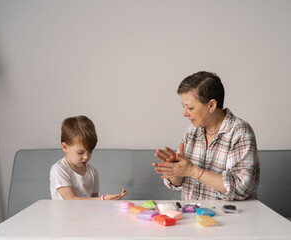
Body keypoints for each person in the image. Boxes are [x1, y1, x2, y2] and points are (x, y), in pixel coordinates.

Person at [152, 71, 259, 200]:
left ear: (211, 105)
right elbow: (178, 183)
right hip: (193, 216)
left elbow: (243, 188)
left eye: (190, 108)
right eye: (183, 107)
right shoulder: (192, 132)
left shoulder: (239, 132)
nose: (184, 113)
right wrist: (175, 169)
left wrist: (192, 171)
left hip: (228, 218)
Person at [50, 115, 127, 200]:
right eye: (80, 152)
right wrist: (103, 199)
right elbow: (70, 200)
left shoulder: (92, 172)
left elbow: (94, 202)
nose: (86, 157)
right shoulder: (59, 169)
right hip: (64, 213)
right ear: (65, 147)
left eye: (90, 151)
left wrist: (109, 201)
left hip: (87, 213)